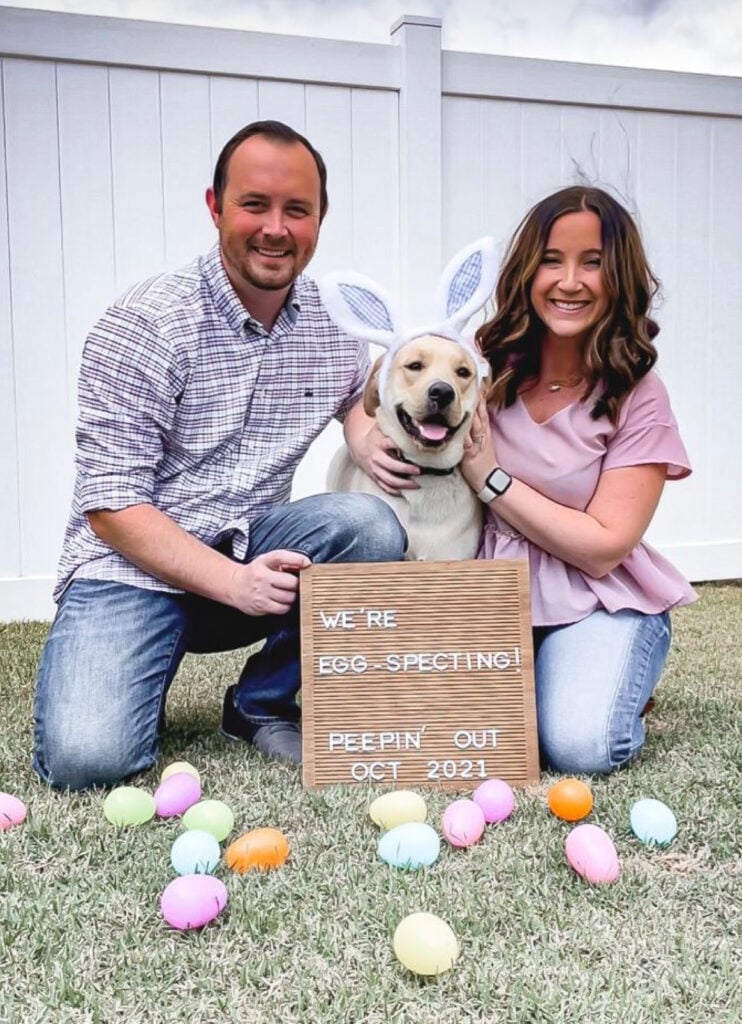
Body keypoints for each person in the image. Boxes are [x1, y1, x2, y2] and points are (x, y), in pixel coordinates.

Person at [33, 120, 407, 790]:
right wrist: (234, 583)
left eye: (297, 210)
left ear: (321, 218)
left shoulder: (335, 322)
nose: (276, 229)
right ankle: (135, 664)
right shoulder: (146, 323)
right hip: (132, 572)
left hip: (251, 550)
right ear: (215, 206)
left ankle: (260, 703)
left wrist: (360, 429)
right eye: (254, 205)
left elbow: (355, 393)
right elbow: (111, 507)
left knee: (369, 527)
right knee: (88, 759)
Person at [457, 185, 697, 774]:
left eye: (592, 262)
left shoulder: (638, 394)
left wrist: (491, 479)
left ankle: (616, 674)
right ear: (526, 272)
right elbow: (390, 395)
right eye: (551, 260)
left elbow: (604, 546)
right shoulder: (481, 364)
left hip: (593, 600)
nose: (570, 281)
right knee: (459, 732)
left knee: (579, 746)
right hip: (486, 595)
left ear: (619, 278)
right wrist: (366, 435)